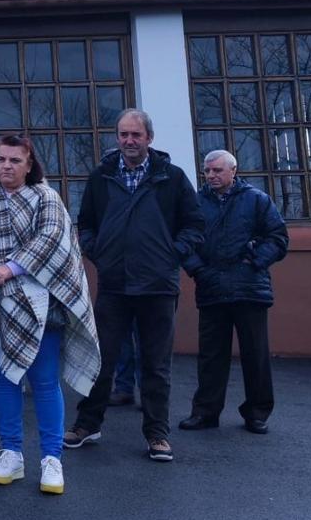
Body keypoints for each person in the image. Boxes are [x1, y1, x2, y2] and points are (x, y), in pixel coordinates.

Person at [0, 134, 101, 494]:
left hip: (41, 305)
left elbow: (52, 238)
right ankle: (11, 454)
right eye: (1, 160)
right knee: (4, 379)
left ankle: (52, 460)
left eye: (15, 161)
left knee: (44, 381)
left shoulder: (46, 197)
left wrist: (11, 268)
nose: (6, 166)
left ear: (29, 164)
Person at [65, 109, 205, 462]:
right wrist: (99, 253)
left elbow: (194, 224)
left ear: (149, 139)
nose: (129, 141)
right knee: (102, 360)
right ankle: (87, 424)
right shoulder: (102, 177)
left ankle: (157, 433)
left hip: (158, 286)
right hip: (114, 284)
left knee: (156, 364)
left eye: (135, 135)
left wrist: (172, 255)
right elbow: (87, 223)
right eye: (123, 135)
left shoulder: (171, 178)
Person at [179, 149, 288, 435]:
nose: (211, 176)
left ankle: (257, 413)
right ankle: (205, 412)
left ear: (233, 170)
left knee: (256, 355)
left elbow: (278, 238)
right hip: (212, 287)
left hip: (249, 288)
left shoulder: (256, 200)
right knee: (211, 357)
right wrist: (199, 270)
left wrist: (255, 261)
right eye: (207, 171)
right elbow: (183, 240)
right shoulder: (195, 203)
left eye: (217, 170)